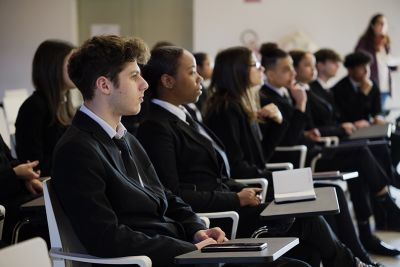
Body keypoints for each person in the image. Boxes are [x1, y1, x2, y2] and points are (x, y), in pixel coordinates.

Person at [52, 35, 308, 267]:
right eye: (133, 76)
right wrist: (190, 249)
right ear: (104, 85)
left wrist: (197, 229)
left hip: (179, 249)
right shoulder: (77, 149)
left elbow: (166, 195)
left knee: (302, 252)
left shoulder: (123, 136)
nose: (144, 84)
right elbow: (106, 237)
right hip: (159, 260)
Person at [202, 46, 375, 267]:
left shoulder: (242, 105)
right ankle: (354, 262)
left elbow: (262, 156)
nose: (261, 68)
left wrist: (277, 123)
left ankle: (356, 259)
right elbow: (238, 168)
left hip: (261, 178)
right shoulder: (226, 109)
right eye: (255, 65)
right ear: (238, 71)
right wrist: (281, 176)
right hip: (252, 185)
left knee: (332, 193)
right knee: (325, 198)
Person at [258, 45, 400, 258]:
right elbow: (287, 139)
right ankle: (383, 207)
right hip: (302, 160)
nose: (294, 74)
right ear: (270, 73)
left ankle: (366, 238)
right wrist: (301, 106)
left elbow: (299, 132)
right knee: (360, 155)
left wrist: (307, 129)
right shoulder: (269, 97)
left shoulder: (287, 93)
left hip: (314, 150)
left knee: (362, 163)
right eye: (288, 69)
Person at [15, 40, 76, 177]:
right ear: (53, 67)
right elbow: (33, 163)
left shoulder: (65, 105)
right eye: (71, 63)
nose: (78, 69)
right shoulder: (33, 108)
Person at [0, 134, 42, 244]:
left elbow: (10, 160)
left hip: (15, 193)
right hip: (6, 206)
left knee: (54, 199)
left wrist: (28, 177)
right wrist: (15, 173)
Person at [355, 13, 397, 109]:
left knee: (380, 115)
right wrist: (375, 47)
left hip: (385, 85)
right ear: (373, 25)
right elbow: (358, 59)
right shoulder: (365, 41)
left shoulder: (386, 43)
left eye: (385, 24)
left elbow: (385, 63)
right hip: (371, 84)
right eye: (380, 23)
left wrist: (395, 66)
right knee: (369, 114)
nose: (383, 26)